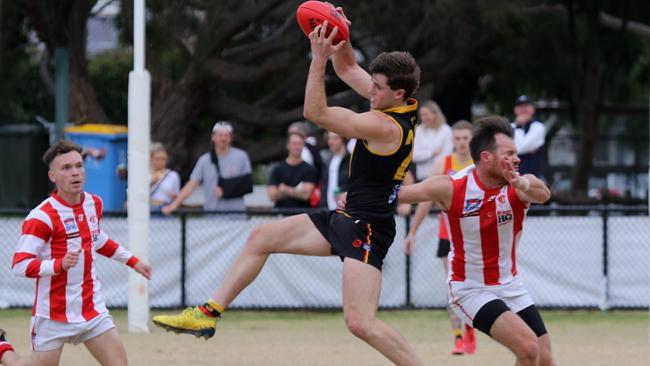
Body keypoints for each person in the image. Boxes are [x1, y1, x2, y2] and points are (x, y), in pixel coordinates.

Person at [153, 7, 426, 365]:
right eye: (372, 83)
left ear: (398, 93)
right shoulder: (393, 103)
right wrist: (340, 33)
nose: (369, 90)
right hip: (349, 215)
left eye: (376, 87)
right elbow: (345, 69)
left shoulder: (386, 126)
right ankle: (209, 312)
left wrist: (316, 60)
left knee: (360, 322)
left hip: (368, 226)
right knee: (262, 237)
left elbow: (316, 114)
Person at [398, 116, 555, 366]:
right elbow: (402, 194)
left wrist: (521, 181)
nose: (516, 159)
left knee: (545, 359)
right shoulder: (453, 186)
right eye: (509, 153)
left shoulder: (517, 184)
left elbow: (543, 194)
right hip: (470, 288)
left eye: (516, 153)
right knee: (528, 348)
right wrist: (358, 196)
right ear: (486, 157)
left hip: (510, 284)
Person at [11, 140, 152, 366]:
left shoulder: (94, 203)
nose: (75, 173)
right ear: (53, 176)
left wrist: (132, 261)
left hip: (91, 308)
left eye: (78, 165)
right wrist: (58, 265)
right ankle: (5, 352)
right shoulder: (41, 217)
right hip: (52, 315)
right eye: (66, 168)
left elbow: (97, 239)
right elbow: (19, 265)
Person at [403, 120, 475, 355]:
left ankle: (472, 325)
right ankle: (458, 337)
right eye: (458, 138)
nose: (462, 143)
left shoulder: (480, 165)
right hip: (449, 235)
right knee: (453, 287)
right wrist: (412, 231)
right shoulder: (442, 164)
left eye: (466, 138)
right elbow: (425, 199)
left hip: (476, 236)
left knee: (476, 286)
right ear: (451, 140)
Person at [162, 121, 252, 214]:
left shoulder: (241, 157)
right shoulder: (204, 160)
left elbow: (246, 185)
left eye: (226, 135)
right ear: (213, 137)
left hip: (237, 216)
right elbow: (192, 184)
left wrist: (226, 191)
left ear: (231, 138)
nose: (223, 138)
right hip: (212, 215)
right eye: (220, 135)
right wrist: (175, 204)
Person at [267, 132, 318, 209]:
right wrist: (296, 191)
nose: (297, 147)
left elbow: (306, 195)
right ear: (288, 145)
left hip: (302, 214)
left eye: (300, 143)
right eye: (294, 143)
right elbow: (272, 196)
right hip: (281, 214)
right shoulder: (277, 169)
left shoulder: (310, 169)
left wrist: (285, 189)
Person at [411, 100, 453, 182]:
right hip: (422, 177)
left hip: (441, 176)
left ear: (434, 114)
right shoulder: (418, 130)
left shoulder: (447, 130)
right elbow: (414, 156)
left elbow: (446, 156)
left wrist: (424, 154)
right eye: (422, 115)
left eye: (426, 114)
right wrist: (431, 153)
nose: (423, 118)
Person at [512, 95, 545, 177]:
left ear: (533, 109)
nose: (523, 109)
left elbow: (519, 148)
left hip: (532, 177)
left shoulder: (538, 126)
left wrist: (519, 126)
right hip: (512, 175)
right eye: (520, 106)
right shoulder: (510, 126)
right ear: (515, 110)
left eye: (526, 106)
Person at [321, 131, 350, 210]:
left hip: (344, 208)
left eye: (335, 138)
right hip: (327, 208)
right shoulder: (327, 160)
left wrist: (346, 194)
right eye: (329, 138)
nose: (330, 142)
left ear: (343, 139)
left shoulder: (350, 160)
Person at [150, 142, 181, 210]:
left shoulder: (173, 175)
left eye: (163, 159)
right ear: (151, 158)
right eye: (157, 159)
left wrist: (175, 197)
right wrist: (151, 183)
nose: (161, 162)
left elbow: (177, 199)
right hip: (147, 210)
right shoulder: (144, 175)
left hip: (164, 210)